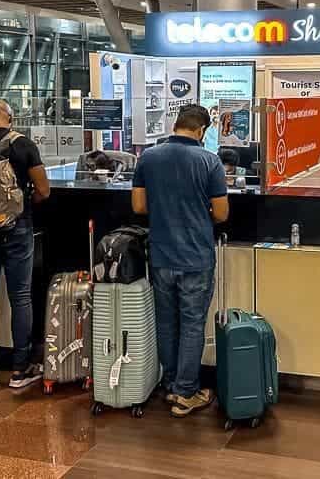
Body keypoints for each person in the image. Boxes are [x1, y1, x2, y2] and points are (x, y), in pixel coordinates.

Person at [132, 104, 229, 417]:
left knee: (167, 320)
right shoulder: (209, 161)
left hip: (160, 253)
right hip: (196, 255)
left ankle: (172, 384)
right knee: (191, 324)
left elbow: (138, 206)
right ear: (201, 130)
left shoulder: (148, 157)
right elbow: (222, 213)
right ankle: (186, 392)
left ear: (176, 124)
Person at [0, 99, 50, 389]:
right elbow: (43, 189)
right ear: (10, 117)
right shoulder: (21, 144)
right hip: (16, 228)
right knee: (20, 297)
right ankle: (20, 368)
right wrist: (23, 205)